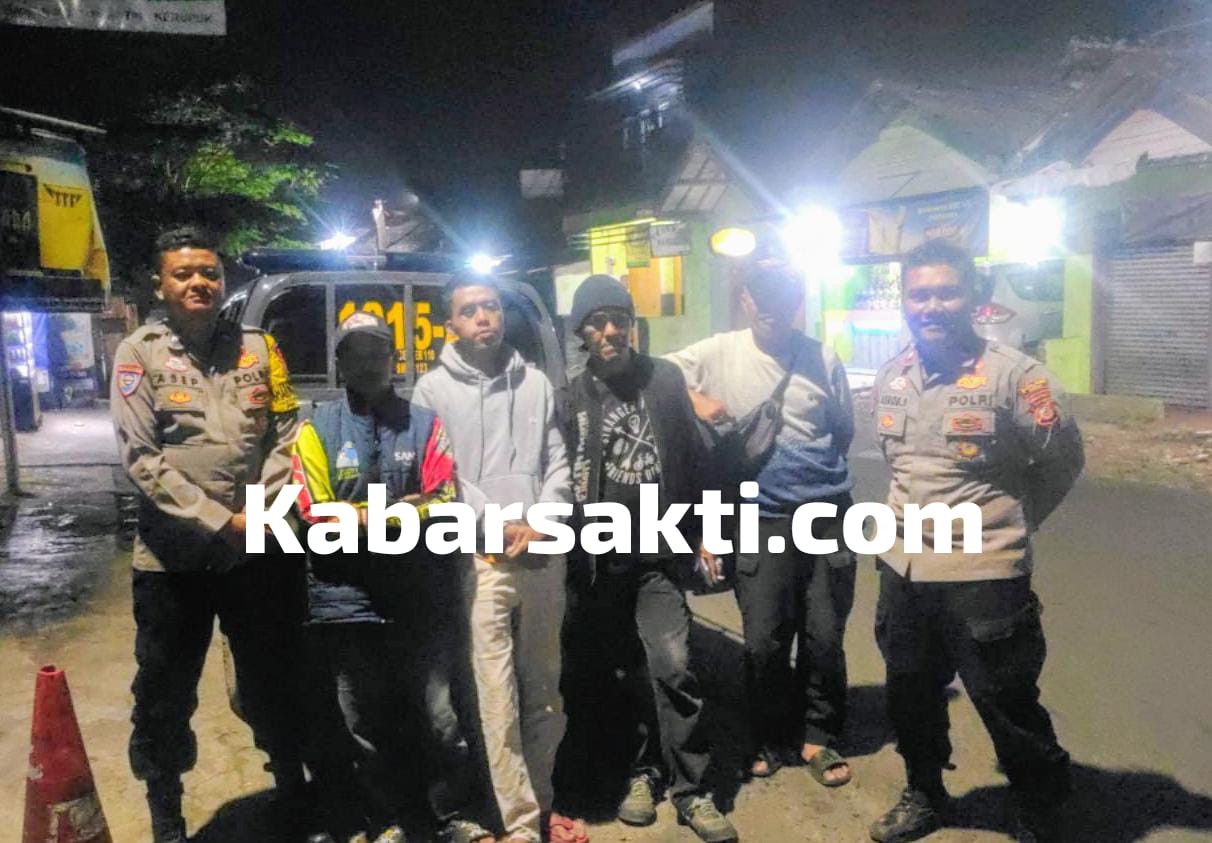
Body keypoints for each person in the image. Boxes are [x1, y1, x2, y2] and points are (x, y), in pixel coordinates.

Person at [867, 240, 1083, 843]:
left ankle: (1041, 804)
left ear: (975, 299)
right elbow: (899, 466)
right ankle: (924, 791)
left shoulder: (1018, 378)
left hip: (984, 574)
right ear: (904, 301)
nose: (931, 306)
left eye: (946, 292)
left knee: (1004, 698)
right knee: (909, 692)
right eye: (919, 294)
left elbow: (1061, 462)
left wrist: (1007, 526)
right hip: (903, 568)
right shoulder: (892, 376)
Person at [111, 225, 305, 843]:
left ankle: (292, 791)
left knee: (273, 675)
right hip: (174, 561)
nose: (199, 282)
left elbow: (287, 429)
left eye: (209, 273)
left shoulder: (259, 348)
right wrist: (223, 521)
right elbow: (142, 460)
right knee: (165, 690)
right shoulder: (138, 355)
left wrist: (260, 509)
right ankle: (166, 809)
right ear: (160, 285)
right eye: (183, 273)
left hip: (255, 551)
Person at [288, 311, 495, 843]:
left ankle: (449, 815)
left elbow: (443, 499)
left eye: (377, 350)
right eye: (355, 352)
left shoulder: (426, 424)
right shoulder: (315, 430)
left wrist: (360, 516)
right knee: (365, 723)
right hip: (347, 602)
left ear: (393, 359)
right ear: (340, 362)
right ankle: (388, 820)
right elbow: (314, 511)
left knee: (440, 717)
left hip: (418, 597)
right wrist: (402, 510)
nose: (368, 361)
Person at [556, 275, 738, 843]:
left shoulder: (665, 380)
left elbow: (699, 462)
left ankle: (693, 789)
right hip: (599, 562)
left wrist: (708, 532)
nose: (610, 331)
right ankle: (642, 773)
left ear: (632, 325)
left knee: (673, 664)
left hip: (659, 553)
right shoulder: (571, 395)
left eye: (619, 320)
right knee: (617, 674)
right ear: (582, 332)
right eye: (597, 322)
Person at [666, 265, 858, 788]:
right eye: (763, 297)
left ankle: (818, 733)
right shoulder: (719, 352)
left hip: (827, 516)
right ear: (747, 300)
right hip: (757, 518)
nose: (773, 307)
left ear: (799, 300)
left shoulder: (823, 358)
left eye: (785, 296)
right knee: (764, 640)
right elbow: (657, 374)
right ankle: (769, 735)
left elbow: (842, 430)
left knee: (824, 635)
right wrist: (695, 399)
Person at [412, 273, 586, 843]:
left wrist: (541, 522)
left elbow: (558, 462)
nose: (483, 317)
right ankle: (518, 823)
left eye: (490, 307)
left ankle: (541, 803)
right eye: (469, 311)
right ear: (451, 324)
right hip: (482, 559)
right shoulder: (431, 392)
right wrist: (499, 524)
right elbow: (442, 478)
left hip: (541, 553)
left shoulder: (535, 383)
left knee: (545, 691)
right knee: (495, 695)